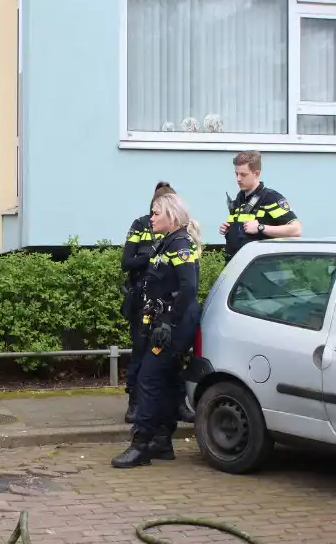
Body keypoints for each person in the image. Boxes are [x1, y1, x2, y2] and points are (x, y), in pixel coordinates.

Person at [112, 193, 202, 468]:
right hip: (162, 322)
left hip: (172, 326)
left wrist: (168, 321)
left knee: (148, 379)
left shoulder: (180, 244)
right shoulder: (166, 243)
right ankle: (162, 442)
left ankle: (141, 445)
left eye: (156, 214)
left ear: (171, 216)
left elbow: (188, 287)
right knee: (163, 380)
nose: (151, 218)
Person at [120, 181, 175, 423]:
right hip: (140, 298)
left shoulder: (176, 232)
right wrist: (151, 255)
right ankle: (134, 401)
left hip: (165, 300)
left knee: (164, 350)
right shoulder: (141, 225)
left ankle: (161, 401)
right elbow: (127, 261)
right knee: (141, 348)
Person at [219, 150, 302, 262]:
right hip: (236, 265)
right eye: (236, 174)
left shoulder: (270, 198)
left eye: (243, 174)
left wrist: (261, 228)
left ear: (256, 174)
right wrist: (229, 229)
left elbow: (296, 230)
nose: (238, 179)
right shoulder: (239, 199)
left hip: (262, 270)